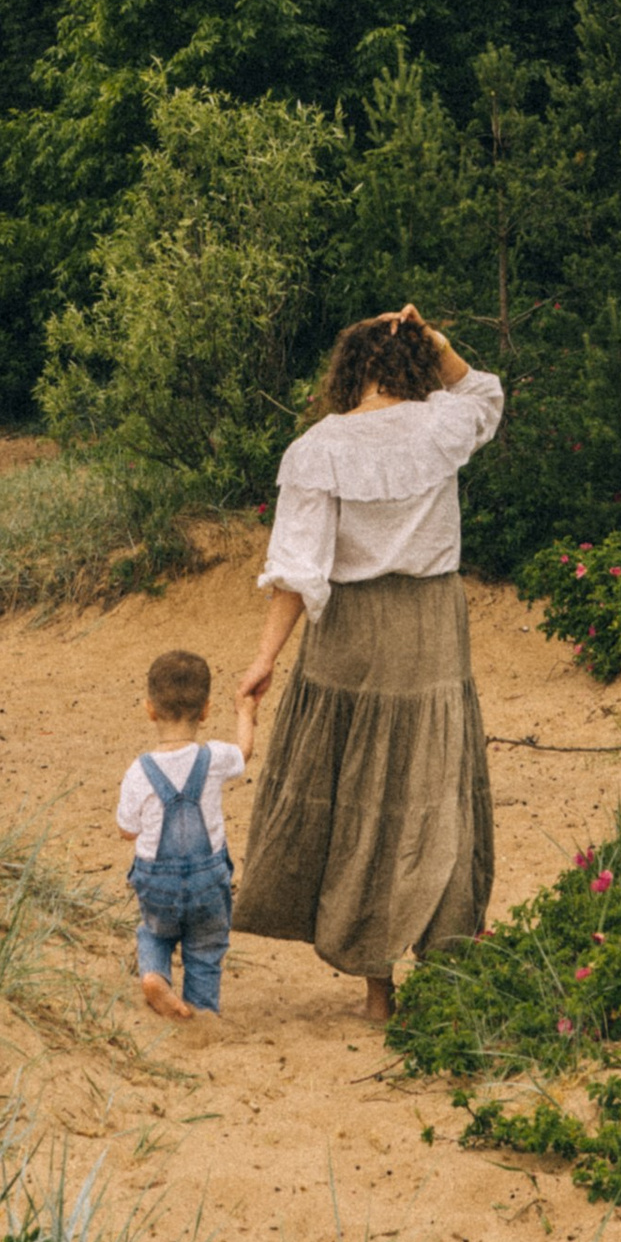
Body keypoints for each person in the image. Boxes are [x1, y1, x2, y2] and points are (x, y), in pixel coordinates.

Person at [235, 302, 502, 1024]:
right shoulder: (445, 423)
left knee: (361, 795)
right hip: (430, 629)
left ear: (348, 369)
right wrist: (437, 341)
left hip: (350, 632)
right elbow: (484, 391)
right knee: (429, 788)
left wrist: (263, 661)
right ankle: (442, 964)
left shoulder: (318, 448)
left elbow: (297, 570)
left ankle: (377, 991)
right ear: (414, 365)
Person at [115, 643, 250, 1022]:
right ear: (206, 711)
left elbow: (127, 830)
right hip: (209, 882)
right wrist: (246, 711)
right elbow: (245, 751)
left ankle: (156, 976)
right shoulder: (214, 759)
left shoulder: (139, 771)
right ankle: (202, 1016)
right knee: (206, 948)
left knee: (154, 933)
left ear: (149, 710)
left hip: (158, 884)